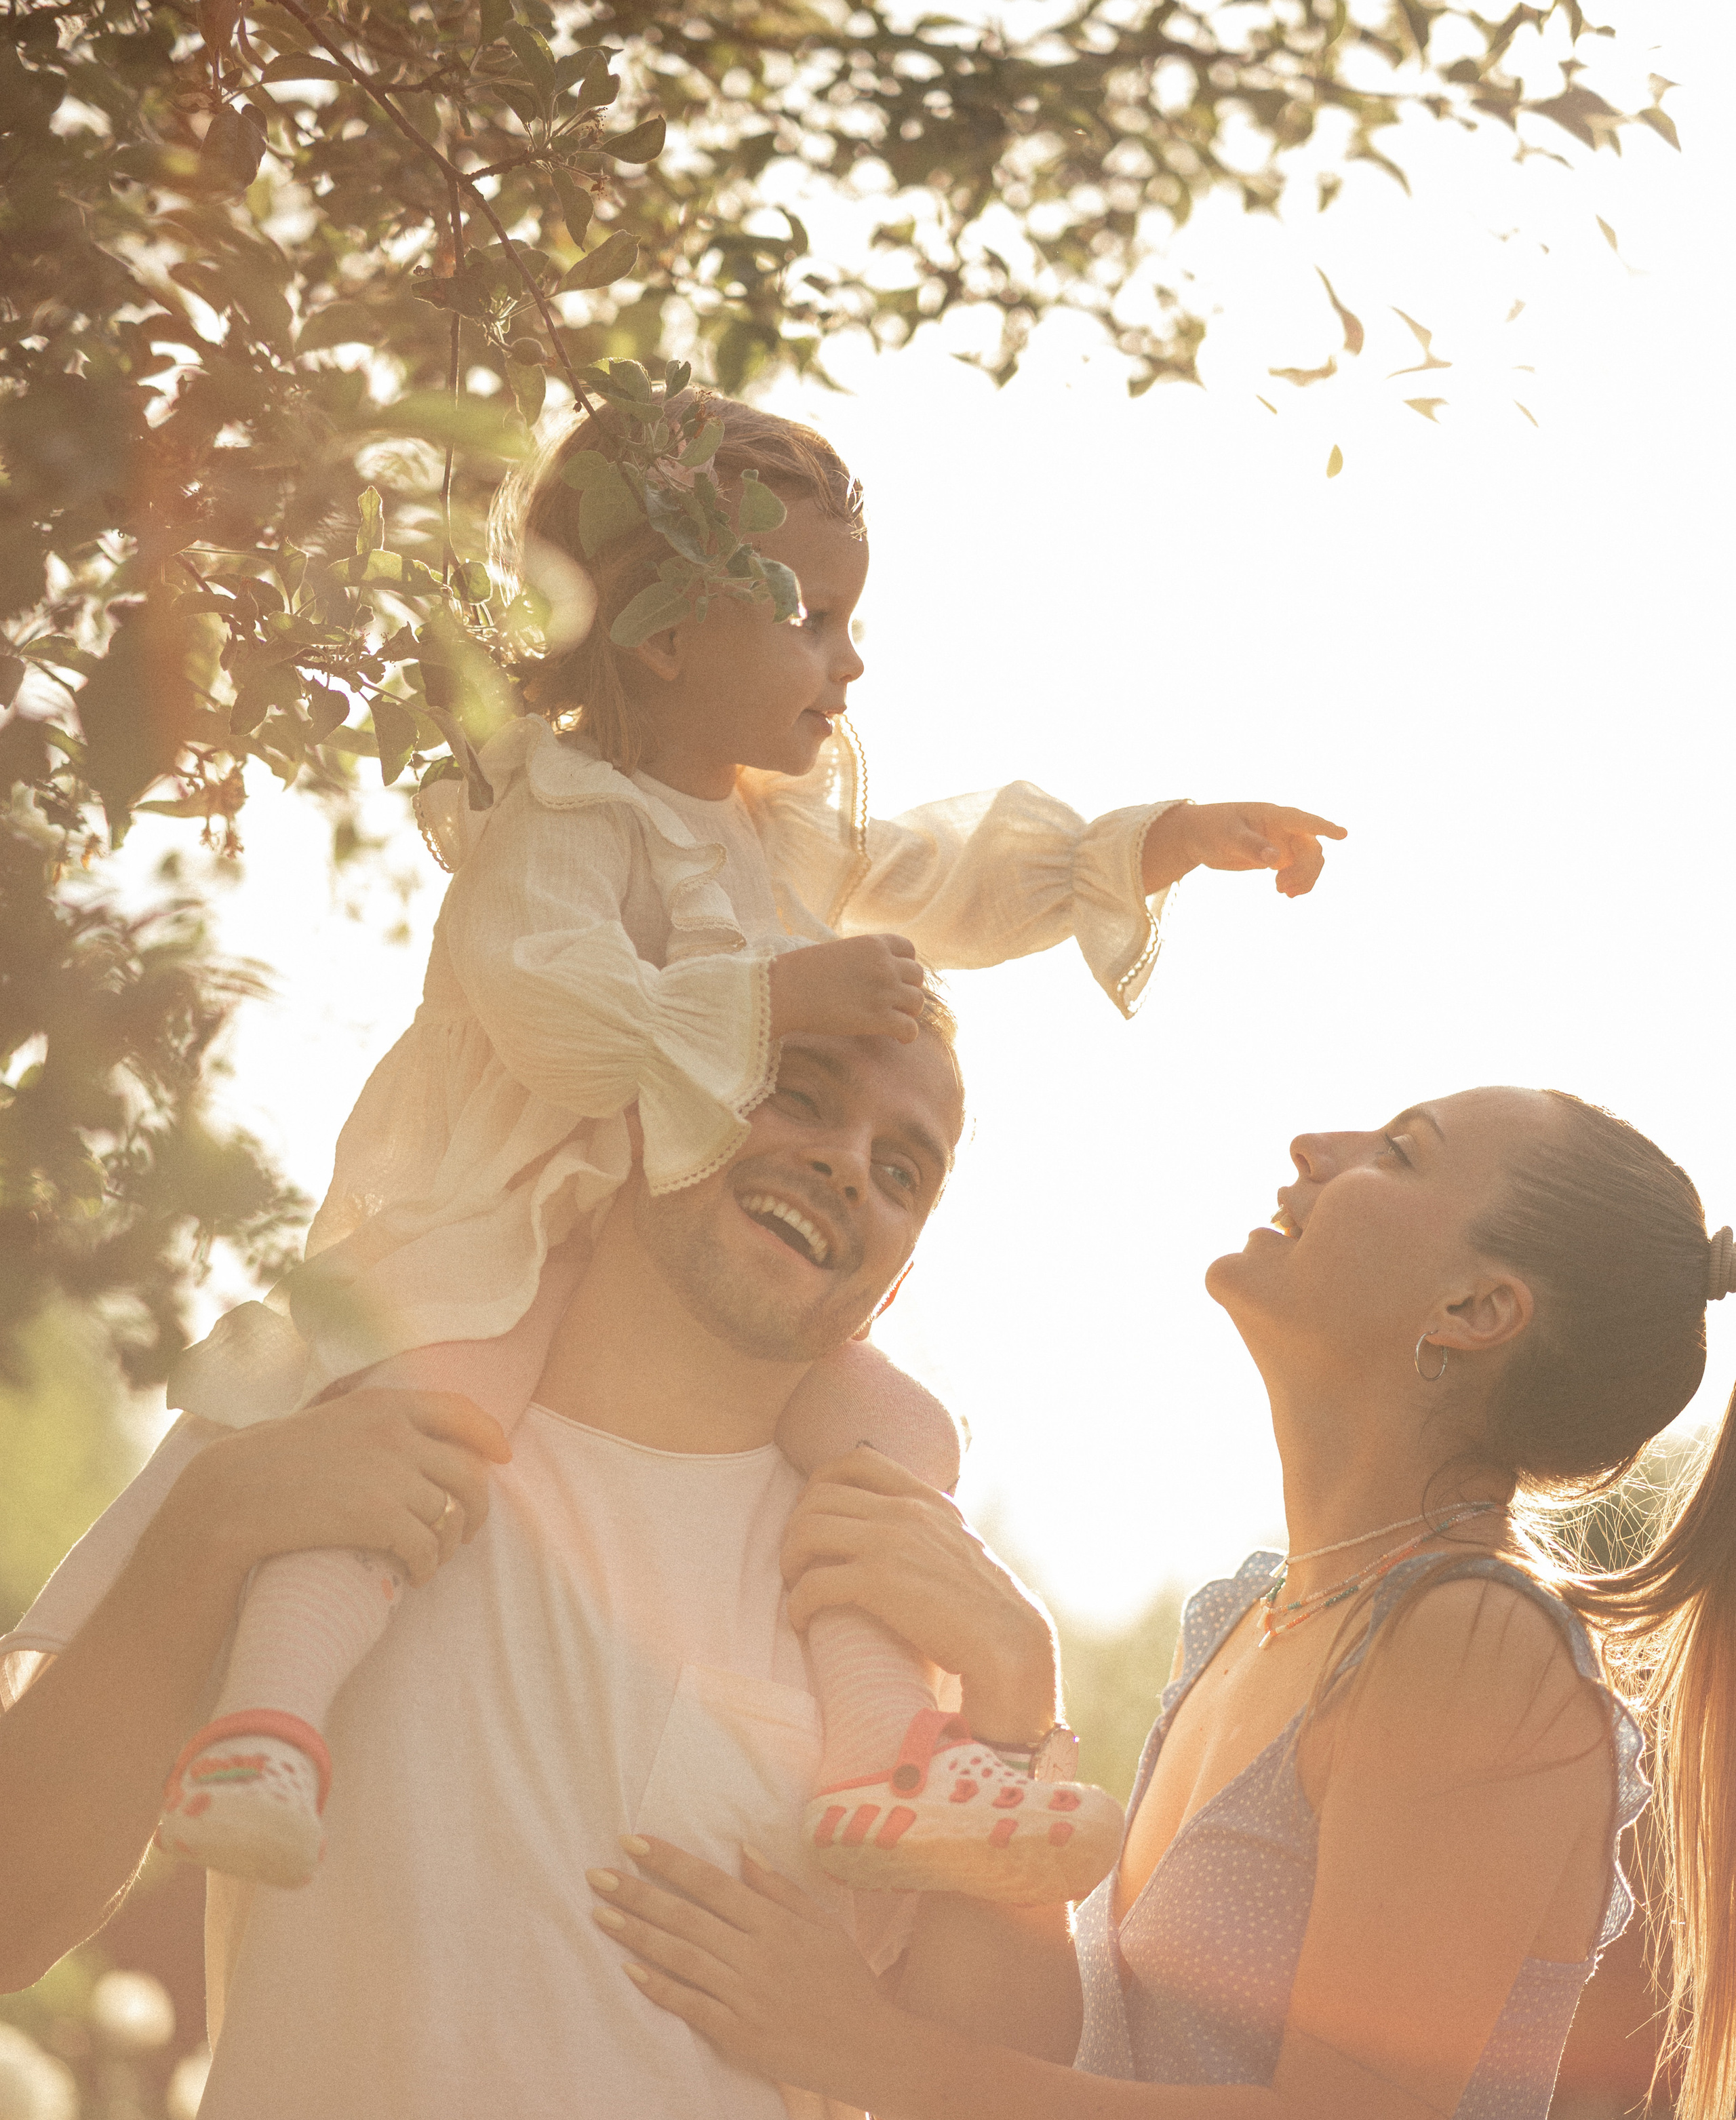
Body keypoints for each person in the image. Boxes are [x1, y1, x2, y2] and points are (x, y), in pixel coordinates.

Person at [154, 387, 1344, 1899]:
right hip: (516, 1230)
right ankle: (267, 1726)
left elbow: (940, 872)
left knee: (898, 1436)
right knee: (413, 1436)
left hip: (683, 1256)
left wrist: (1148, 841)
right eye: (813, 617)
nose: (849, 661)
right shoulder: (566, 815)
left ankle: (878, 1753)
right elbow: (538, 1002)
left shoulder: (783, 830)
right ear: (661, 637)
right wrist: (770, 994)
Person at [580, 1083, 1736, 2120]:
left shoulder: (1471, 1644)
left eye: (1394, 1154)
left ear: (1473, 1305)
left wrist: (850, 2041)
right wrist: (1002, 1711)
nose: (1309, 1149)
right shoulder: (1244, 1623)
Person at [0, 1000, 1084, 2120]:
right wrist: (209, 1532)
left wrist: (1012, 1703)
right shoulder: (328, 1391)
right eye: (795, 1091)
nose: (846, 1167)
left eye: (903, 1168)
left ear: (898, 1271)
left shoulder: (884, 1573)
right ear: (640, 1081)